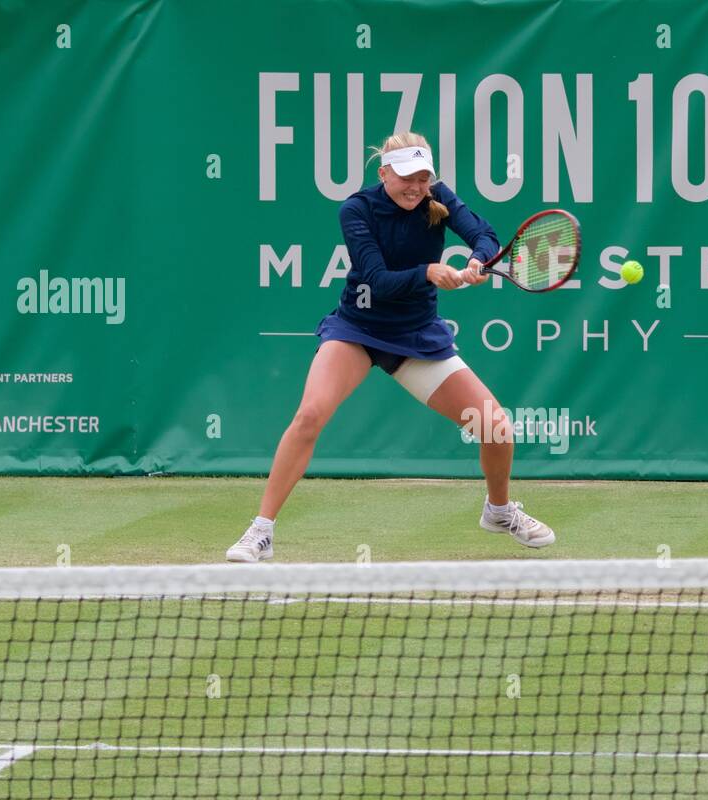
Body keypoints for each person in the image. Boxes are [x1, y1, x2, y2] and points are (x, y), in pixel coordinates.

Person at [226, 131, 556, 562]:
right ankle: (261, 531)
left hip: (416, 336)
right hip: (357, 330)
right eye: (406, 178)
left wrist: (478, 259)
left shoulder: (438, 198)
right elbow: (377, 280)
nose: (416, 187)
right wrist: (430, 272)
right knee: (309, 415)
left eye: (423, 178)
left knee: (495, 427)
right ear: (384, 174)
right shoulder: (357, 210)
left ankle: (498, 511)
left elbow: (484, 234)